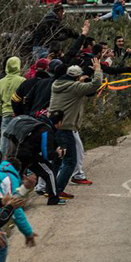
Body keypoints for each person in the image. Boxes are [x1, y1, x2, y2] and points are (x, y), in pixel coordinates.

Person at [49, 60, 103, 199]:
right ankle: (58, 191)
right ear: (77, 77)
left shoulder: (57, 84)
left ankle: (51, 188)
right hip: (66, 128)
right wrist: (97, 69)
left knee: (58, 160)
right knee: (70, 161)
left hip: (53, 126)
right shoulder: (74, 87)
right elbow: (95, 85)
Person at [1, 112, 64, 205]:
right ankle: (54, 199)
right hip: (29, 154)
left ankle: (9, 200)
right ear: (59, 122)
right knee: (49, 172)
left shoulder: (39, 124)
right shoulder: (47, 130)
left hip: (19, 151)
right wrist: (58, 154)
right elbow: (47, 154)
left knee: (16, 175)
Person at [0, 57, 25, 155]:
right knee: (18, 143)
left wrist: (2, 112)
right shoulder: (22, 80)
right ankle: (16, 165)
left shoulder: (1, 82)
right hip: (18, 115)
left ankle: (1, 164)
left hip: (5, 114)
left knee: (4, 143)